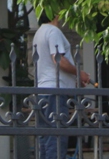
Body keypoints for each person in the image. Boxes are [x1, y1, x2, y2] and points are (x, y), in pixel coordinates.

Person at [33, 11, 90, 159]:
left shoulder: (39, 32)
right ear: (56, 15)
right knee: (56, 136)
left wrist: (72, 77)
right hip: (55, 91)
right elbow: (59, 60)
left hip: (43, 90)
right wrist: (79, 73)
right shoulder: (53, 31)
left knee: (45, 137)